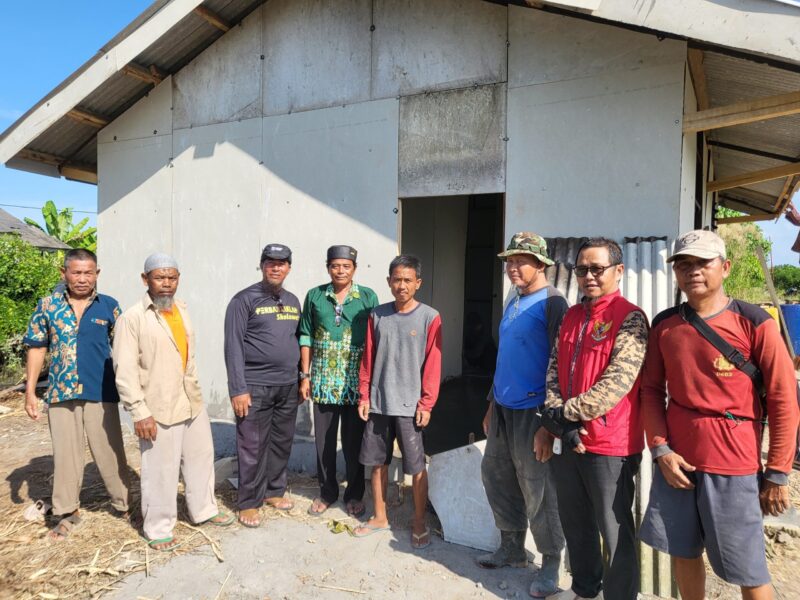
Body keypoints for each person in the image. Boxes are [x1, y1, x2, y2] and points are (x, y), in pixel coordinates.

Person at [639, 230, 800, 600]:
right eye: (683, 264)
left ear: (725, 267)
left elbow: (783, 398)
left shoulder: (754, 322)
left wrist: (777, 471)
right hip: (677, 462)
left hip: (734, 462)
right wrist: (660, 449)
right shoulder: (665, 325)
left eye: (702, 262)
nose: (692, 271)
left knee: (749, 568)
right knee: (683, 551)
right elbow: (650, 391)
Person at [542, 237, 648, 600]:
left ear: (618, 271)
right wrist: (560, 420)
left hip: (610, 445)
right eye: (582, 268)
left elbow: (617, 382)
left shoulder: (630, 317)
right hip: (570, 439)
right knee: (576, 523)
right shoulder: (572, 315)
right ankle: (585, 590)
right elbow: (554, 368)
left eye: (597, 269)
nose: (588, 276)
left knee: (615, 532)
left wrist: (563, 414)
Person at [113, 254, 232, 551]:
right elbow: (124, 371)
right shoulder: (132, 318)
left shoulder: (181, 309)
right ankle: (158, 527)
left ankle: (203, 510)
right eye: (159, 278)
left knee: (201, 458)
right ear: (145, 280)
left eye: (172, 278)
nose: (166, 284)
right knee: (160, 469)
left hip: (190, 400)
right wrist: (139, 412)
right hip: (157, 407)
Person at [478, 232, 567, 599]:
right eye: (510, 261)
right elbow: (505, 357)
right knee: (496, 474)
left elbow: (562, 365)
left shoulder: (554, 303)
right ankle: (512, 547)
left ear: (542, 264)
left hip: (534, 411)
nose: (513, 267)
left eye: (521, 261)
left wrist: (550, 424)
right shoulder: (514, 298)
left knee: (538, 487)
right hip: (502, 407)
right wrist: (489, 404)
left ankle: (549, 562)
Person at [23, 248, 130, 540]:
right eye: (76, 272)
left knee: (109, 451)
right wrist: (30, 392)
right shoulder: (47, 306)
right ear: (64, 273)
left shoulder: (110, 306)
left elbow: (125, 348)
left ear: (97, 274)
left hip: (101, 389)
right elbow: (36, 346)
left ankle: (123, 504)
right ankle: (68, 513)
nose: (82, 279)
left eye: (88, 272)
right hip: (60, 391)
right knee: (66, 455)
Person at [354, 255, 442, 549]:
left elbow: (433, 363)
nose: (401, 285)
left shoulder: (430, 317)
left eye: (407, 280)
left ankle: (419, 521)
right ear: (388, 281)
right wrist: (364, 394)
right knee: (377, 463)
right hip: (379, 401)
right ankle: (380, 516)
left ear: (418, 283)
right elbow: (367, 358)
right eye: (396, 279)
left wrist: (426, 403)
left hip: (410, 405)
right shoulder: (377, 315)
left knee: (416, 465)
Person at [224, 243, 302, 527]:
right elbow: (232, 346)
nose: (276, 267)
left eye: (282, 263)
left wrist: (300, 378)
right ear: (261, 265)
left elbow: (297, 340)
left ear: (289, 268)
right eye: (270, 262)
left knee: (281, 442)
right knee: (253, 445)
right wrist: (238, 388)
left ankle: (273, 491)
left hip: (287, 386)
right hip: (254, 386)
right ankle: (248, 501)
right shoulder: (244, 299)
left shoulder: (293, 301)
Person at [299, 245, 379, 517]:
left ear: (354, 269)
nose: (340, 270)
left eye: (346, 266)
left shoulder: (367, 297)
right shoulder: (315, 296)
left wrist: (370, 386)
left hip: (355, 383)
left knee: (354, 441)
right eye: (335, 265)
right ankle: (327, 491)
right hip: (322, 381)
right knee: (323, 441)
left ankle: (355, 492)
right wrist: (305, 375)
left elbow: (374, 340)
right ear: (328, 267)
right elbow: (306, 335)